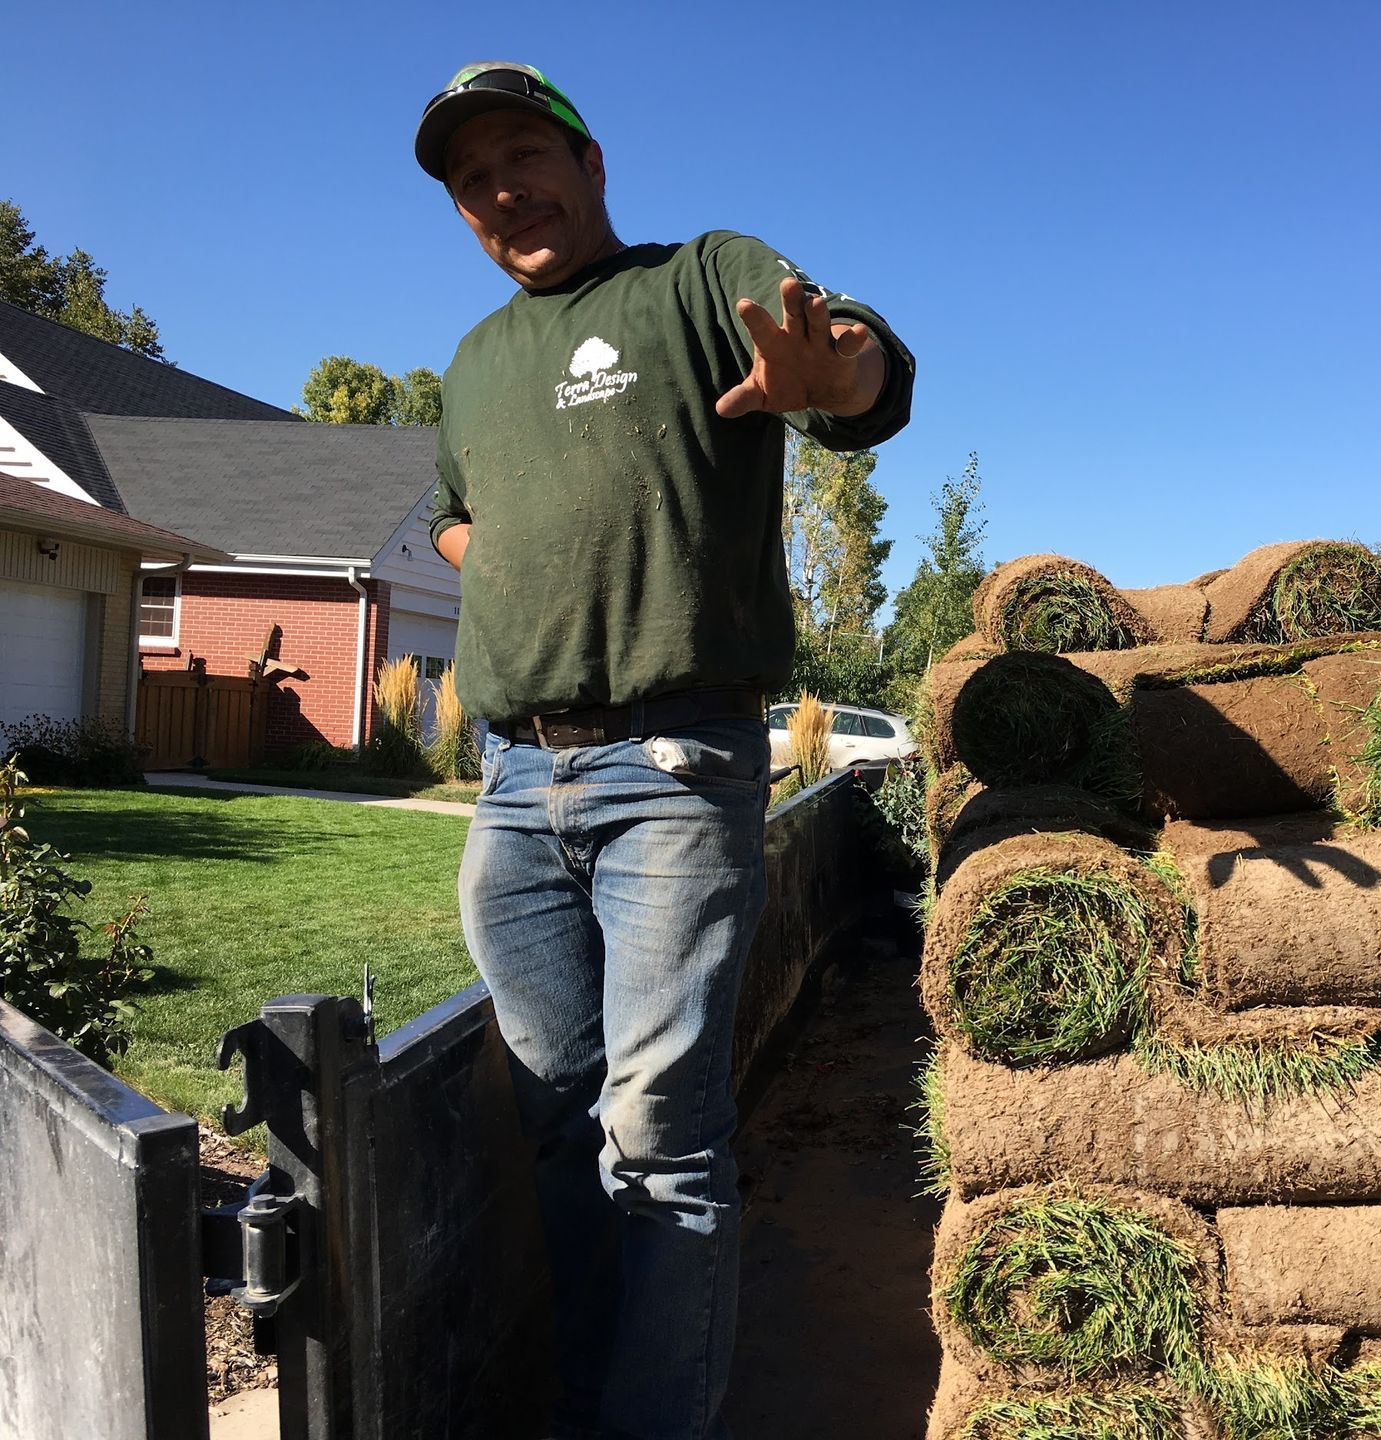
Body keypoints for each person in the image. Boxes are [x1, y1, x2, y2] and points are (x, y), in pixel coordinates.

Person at [414, 61, 914, 1440]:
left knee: (657, 1138)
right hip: (513, 786)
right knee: (556, 1125)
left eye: (526, 153)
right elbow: (452, 515)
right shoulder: (472, 362)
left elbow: (852, 359)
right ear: (461, 214)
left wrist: (843, 375)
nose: (503, 188)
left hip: (673, 769)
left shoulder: (700, 280)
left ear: (590, 161)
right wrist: (503, 553)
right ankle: (592, 1402)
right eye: (473, 179)